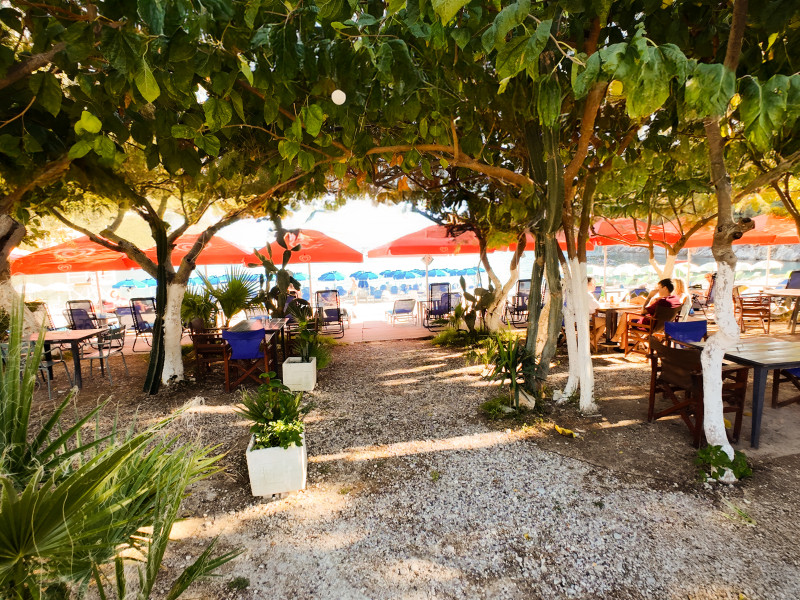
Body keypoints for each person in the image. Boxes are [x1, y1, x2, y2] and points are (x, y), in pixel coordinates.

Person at [611, 278, 682, 344]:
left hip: (649, 325)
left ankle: (615, 340)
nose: (658, 290)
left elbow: (643, 311)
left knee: (625, 316)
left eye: (659, 288)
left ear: (665, 288)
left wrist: (649, 297)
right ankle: (620, 344)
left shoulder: (662, 301)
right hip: (664, 326)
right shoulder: (676, 299)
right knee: (628, 315)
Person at [587, 277, 606, 350]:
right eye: (593, 284)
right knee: (607, 321)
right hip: (586, 320)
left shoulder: (578, 294)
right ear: (587, 285)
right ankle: (594, 339)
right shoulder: (588, 295)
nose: (595, 286)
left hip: (576, 319)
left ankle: (593, 339)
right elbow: (598, 306)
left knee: (603, 322)